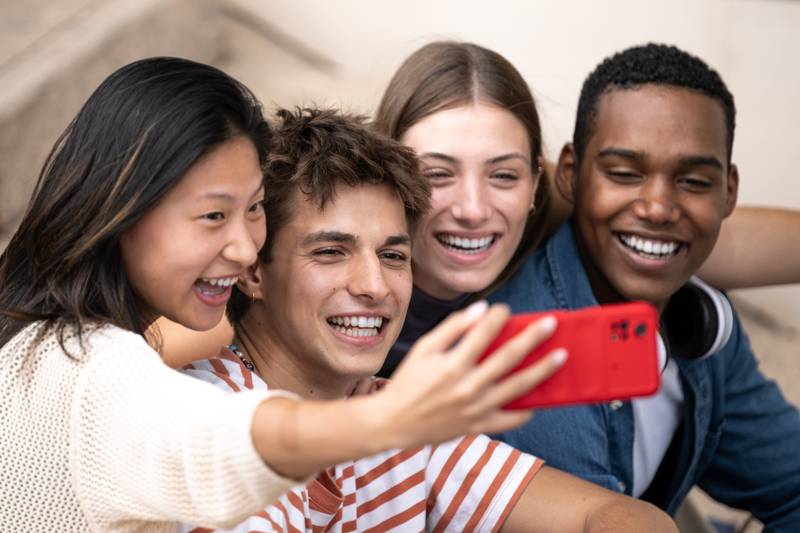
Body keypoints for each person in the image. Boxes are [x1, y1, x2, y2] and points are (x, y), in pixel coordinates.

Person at [0, 58, 576, 532]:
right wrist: (390, 420)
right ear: (123, 212)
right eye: (211, 215)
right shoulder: (85, 365)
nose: (246, 246)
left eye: (252, 210)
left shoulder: (90, 344)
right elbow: (218, 446)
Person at [179, 107, 677, 533]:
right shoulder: (208, 419)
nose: (374, 285)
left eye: (394, 256)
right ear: (253, 273)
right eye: (331, 251)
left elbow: (615, 516)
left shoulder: (394, 417)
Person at [158, 41, 800, 370]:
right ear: (391, 172)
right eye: (437, 173)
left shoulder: (559, 221)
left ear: (540, 182)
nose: (472, 208)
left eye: (503, 174)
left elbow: (715, 233)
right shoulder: (296, 267)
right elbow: (142, 345)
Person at [488, 43, 800, 528]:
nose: (657, 207)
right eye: (625, 174)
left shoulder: (704, 321)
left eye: (694, 181)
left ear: (729, 192)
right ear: (571, 174)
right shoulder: (531, 359)